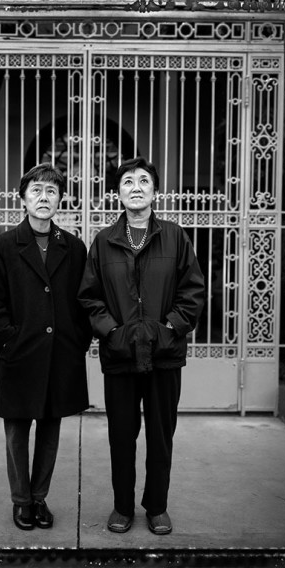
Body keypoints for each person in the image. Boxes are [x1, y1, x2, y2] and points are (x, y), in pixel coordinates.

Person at [78, 157, 205, 536]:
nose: (136, 187)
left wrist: (169, 329)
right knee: (122, 433)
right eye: (127, 181)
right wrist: (112, 332)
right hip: (119, 355)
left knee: (161, 434)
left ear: (155, 191)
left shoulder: (175, 236)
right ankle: (122, 506)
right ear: (118, 193)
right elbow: (89, 297)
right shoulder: (103, 242)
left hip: (164, 354)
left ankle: (157, 506)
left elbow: (193, 292)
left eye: (144, 181)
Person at [0, 163, 91, 531]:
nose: (44, 197)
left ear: (60, 199)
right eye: (37, 191)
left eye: (52, 191)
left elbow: (84, 301)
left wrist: (77, 342)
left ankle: (39, 498)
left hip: (59, 355)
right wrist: (7, 340)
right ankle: (21, 501)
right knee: (16, 432)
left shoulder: (73, 247)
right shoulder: (5, 246)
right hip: (19, 355)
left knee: (50, 430)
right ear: (23, 198)